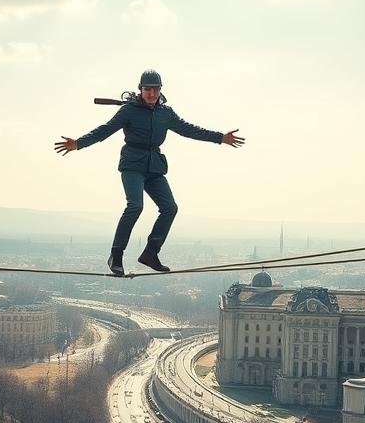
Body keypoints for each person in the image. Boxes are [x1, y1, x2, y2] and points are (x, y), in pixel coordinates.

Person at [54, 69, 245, 276]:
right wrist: (78, 143)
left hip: (154, 166)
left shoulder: (166, 113)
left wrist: (220, 138)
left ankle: (150, 253)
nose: (152, 94)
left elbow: (189, 129)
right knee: (135, 206)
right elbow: (105, 130)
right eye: (147, 89)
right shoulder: (128, 111)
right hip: (132, 165)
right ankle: (116, 255)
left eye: (155, 89)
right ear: (141, 90)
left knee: (170, 207)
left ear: (161, 90)